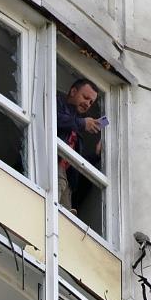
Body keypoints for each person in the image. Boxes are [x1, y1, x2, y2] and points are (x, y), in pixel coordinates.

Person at [57, 78, 102, 212]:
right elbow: (51, 119)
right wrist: (81, 123)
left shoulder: (77, 130)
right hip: (50, 165)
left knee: (65, 217)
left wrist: (96, 155)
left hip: (66, 180)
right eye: (86, 97)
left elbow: (76, 162)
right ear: (73, 92)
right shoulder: (56, 102)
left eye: (91, 102)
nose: (87, 104)